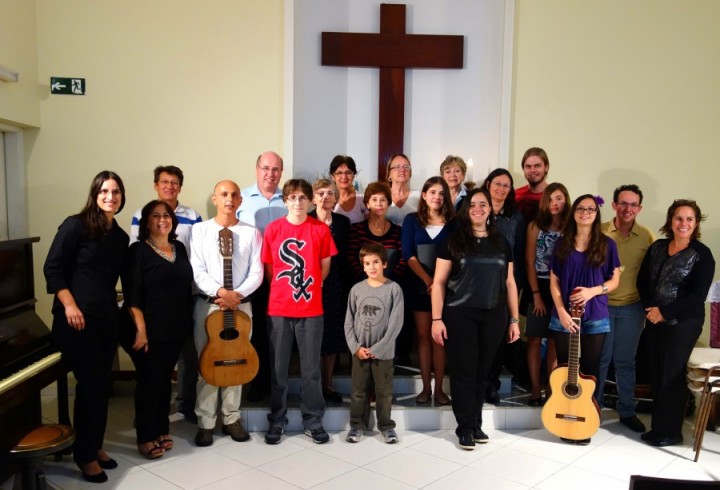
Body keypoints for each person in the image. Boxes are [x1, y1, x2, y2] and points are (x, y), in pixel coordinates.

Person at [43, 171, 129, 483]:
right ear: (94, 194)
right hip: (74, 321)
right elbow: (52, 267)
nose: (111, 197)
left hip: (106, 319)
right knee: (91, 384)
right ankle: (84, 456)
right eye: (104, 191)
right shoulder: (74, 225)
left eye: (116, 191)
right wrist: (69, 305)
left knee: (102, 386)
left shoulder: (119, 237)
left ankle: (95, 445)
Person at [431, 188, 521, 450]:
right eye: (473, 205)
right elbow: (438, 283)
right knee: (464, 372)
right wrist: (437, 318)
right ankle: (464, 428)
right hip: (460, 314)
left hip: (494, 315)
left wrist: (514, 320)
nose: (478, 209)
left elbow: (510, 282)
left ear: (491, 209)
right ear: (466, 209)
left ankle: (476, 423)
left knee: (483, 372)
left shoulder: (502, 242)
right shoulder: (453, 240)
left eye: (483, 204)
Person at [263, 179, 338, 445]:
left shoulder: (320, 230)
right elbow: (270, 270)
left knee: (311, 370)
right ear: (285, 200)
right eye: (292, 197)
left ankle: (313, 420)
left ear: (311, 201)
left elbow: (324, 266)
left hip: (311, 309)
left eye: (302, 197)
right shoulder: (273, 230)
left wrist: (313, 284)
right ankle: (277, 420)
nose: (297, 202)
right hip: (279, 309)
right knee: (279, 369)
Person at [191, 180, 263, 447]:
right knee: (207, 365)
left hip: (241, 307)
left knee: (237, 360)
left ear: (241, 201)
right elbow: (197, 271)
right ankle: (206, 423)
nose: (229, 199)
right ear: (214, 199)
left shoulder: (252, 233)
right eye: (224, 194)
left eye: (234, 195)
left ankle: (231, 418)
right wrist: (223, 293)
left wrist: (237, 296)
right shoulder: (200, 231)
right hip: (210, 305)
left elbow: (257, 272)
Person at [637, 199, 715, 447]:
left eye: (689, 219)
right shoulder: (657, 247)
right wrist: (651, 309)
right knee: (657, 371)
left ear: (696, 223)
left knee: (671, 373)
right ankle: (658, 428)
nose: (683, 223)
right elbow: (642, 281)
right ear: (670, 221)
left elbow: (696, 296)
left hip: (684, 322)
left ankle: (671, 432)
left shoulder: (702, 255)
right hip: (654, 317)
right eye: (679, 218)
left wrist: (665, 312)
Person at [121, 200, 193, 459]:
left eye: (166, 215)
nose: (162, 220)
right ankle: (145, 436)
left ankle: (161, 428)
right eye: (155, 216)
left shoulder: (180, 248)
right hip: (144, 328)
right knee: (150, 381)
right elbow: (132, 295)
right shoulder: (137, 251)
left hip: (174, 328)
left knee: (163, 380)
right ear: (147, 222)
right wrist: (141, 330)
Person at [129, 165, 202, 423]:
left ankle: (184, 405)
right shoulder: (142, 216)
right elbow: (136, 259)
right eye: (164, 182)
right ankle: (150, 421)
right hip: (153, 303)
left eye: (174, 182)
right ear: (156, 185)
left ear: (180, 187)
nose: (169, 186)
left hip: (185, 297)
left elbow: (199, 253)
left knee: (187, 354)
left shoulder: (192, 217)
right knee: (154, 367)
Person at [549, 194, 621, 445]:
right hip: (564, 316)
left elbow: (615, 280)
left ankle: (585, 418)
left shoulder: (607, 244)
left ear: (596, 213)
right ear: (574, 212)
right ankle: (563, 418)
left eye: (590, 208)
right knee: (564, 371)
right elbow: (554, 281)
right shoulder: (562, 244)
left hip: (596, 315)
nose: (585, 212)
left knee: (590, 372)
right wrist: (560, 310)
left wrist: (593, 291)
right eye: (580, 208)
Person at [596, 185, 655, 433]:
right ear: (613, 205)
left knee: (625, 362)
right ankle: (593, 408)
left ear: (639, 208)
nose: (627, 208)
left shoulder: (646, 236)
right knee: (600, 360)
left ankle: (627, 411)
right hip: (602, 305)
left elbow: (652, 272)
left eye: (633, 204)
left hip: (632, 307)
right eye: (623, 203)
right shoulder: (599, 232)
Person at [236, 151, 287, 402]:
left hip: (283, 278)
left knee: (279, 332)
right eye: (266, 168)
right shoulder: (241, 199)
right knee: (254, 331)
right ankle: (257, 383)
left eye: (276, 169)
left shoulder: (289, 199)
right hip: (251, 277)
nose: (270, 174)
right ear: (256, 169)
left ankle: (279, 383)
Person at [402, 176, 457, 405]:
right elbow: (408, 255)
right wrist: (428, 280)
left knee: (440, 338)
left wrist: (440, 283)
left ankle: (440, 390)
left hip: (447, 289)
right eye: (432, 192)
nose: (437, 197)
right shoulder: (411, 220)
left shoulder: (454, 224)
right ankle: (425, 387)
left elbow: (457, 255)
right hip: (420, 287)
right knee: (424, 337)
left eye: (441, 193)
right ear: (424, 195)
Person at [344, 242, 404, 444]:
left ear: (385, 264)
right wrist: (355, 348)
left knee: (384, 392)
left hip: (383, 353)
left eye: (376, 262)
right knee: (359, 391)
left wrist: (378, 349)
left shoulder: (393, 289)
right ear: (362, 266)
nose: (371, 267)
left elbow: (396, 324)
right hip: (360, 352)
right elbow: (348, 322)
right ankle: (357, 426)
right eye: (367, 263)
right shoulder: (356, 289)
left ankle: (386, 426)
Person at [524, 183, 570, 405]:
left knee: (554, 341)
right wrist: (536, 294)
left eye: (559, 198)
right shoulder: (535, 226)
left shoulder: (571, 227)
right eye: (550, 199)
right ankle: (534, 389)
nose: (555, 203)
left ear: (566, 200)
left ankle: (551, 390)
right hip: (539, 286)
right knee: (534, 339)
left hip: (561, 288)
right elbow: (529, 261)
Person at [483, 168, 526, 404]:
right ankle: (477, 382)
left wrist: (515, 286)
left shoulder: (516, 217)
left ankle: (492, 384)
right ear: (488, 184)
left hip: (503, 284)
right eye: (497, 184)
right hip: (476, 284)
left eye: (506, 185)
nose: (500, 189)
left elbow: (518, 254)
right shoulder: (474, 208)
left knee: (498, 339)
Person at [309, 178, 351, 403]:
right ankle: (313, 385)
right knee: (312, 334)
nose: (326, 197)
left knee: (333, 332)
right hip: (310, 283)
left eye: (330, 193)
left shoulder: (343, 223)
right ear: (314, 197)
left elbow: (346, 256)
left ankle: (328, 384)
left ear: (336, 198)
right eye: (321, 193)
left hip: (335, 283)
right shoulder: (306, 221)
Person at [347, 182, 407, 285]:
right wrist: (367, 281)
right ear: (367, 204)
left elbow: (403, 258)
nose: (379, 203)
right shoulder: (356, 229)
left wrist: (390, 282)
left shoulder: (398, 231)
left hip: (392, 285)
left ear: (388, 203)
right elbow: (351, 258)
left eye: (383, 200)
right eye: (374, 200)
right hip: (363, 286)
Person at [515, 147, 550, 224]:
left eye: (537, 166)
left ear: (546, 168)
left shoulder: (555, 195)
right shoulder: (515, 195)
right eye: (528, 166)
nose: (532, 170)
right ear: (523, 169)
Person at [330, 155, 367, 223]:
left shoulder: (362, 199)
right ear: (332, 176)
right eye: (339, 173)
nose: (344, 177)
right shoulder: (327, 199)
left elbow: (371, 226)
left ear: (353, 175)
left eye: (348, 173)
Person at [385, 153, 420, 226]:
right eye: (397, 167)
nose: (402, 170)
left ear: (410, 173)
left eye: (406, 167)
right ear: (389, 174)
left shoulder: (418, 196)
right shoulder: (382, 195)